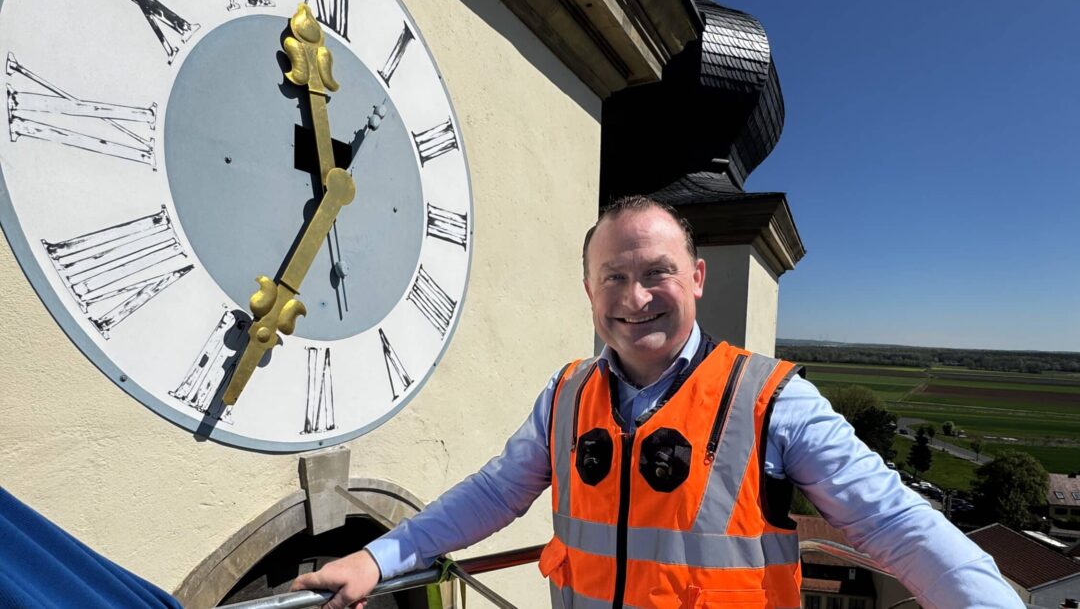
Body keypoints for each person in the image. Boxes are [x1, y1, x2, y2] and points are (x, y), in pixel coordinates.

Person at [293, 196, 1023, 608]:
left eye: (658, 273)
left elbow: (893, 520)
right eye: (613, 276)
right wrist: (378, 558)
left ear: (698, 277)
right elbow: (494, 492)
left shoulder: (770, 398)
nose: (635, 298)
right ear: (588, 289)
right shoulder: (567, 393)